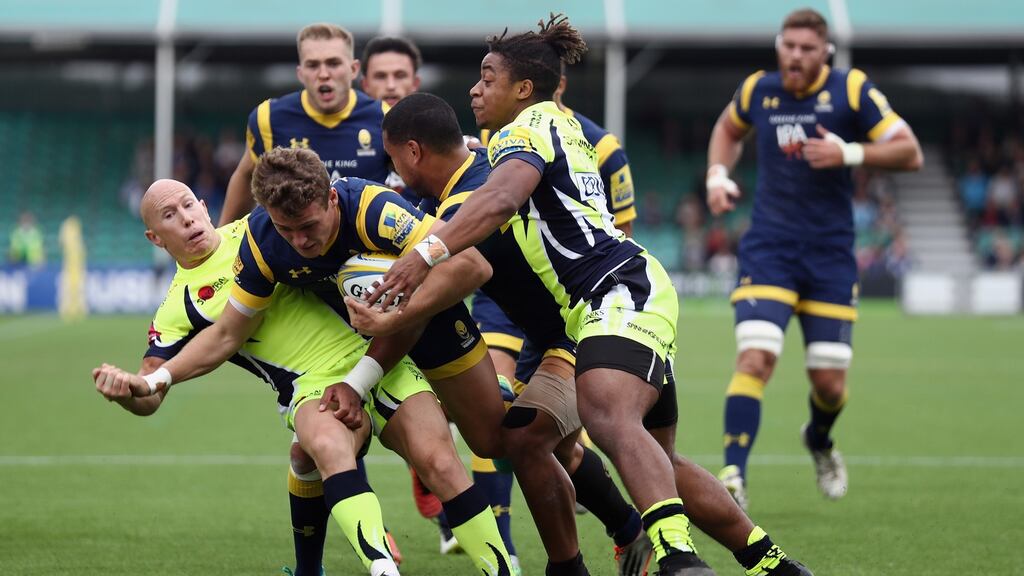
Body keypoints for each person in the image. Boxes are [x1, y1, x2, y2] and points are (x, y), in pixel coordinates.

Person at [365, 91, 812, 576]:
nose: (391, 171)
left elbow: (465, 266)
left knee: (529, 438)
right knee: (657, 462)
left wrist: (391, 306)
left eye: (391, 158)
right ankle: (772, 564)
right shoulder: (480, 170)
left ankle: (604, 561)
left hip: (593, 322)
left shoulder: (473, 202)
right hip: (597, 315)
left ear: (412, 151)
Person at [372, 15, 714, 576]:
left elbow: (505, 232)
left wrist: (413, 268)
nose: (474, 91)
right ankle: (729, 552)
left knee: (531, 437)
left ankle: (641, 552)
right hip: (557, 316)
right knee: (555, 442)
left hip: (590, 311)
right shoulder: (515, 141)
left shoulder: (515, 150)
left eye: (486, 79)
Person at [92, 179, 511, 576]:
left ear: (204, 207)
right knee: (325, 448)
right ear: (155, 238)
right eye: (169, 215)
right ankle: (383, 567)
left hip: (379, 357)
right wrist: (128, 389)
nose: (186, 219)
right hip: (310, 388)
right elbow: (150, 387)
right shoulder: (177, 307)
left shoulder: (265, 228)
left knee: (440, 462)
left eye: (188, 205)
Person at [705, 8, 923, 510]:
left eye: (807, 49)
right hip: (769, 250)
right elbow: (727, 130)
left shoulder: (852, 91)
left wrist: (850, 153)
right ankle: (733, 475)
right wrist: (718, 176)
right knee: (755, 359)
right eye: (788, 46)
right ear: (779, 46)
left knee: (828, 383)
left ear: (824, 53)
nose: (795, 56)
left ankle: (820, 439)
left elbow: (910, 152)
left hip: (829, 257)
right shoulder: (758, 89)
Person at [219, 23, 391, 226]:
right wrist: (221, 239)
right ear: (300, 73)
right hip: (296, 247)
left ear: (353, 70)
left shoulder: (383, 117)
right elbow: (246, 175)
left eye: (333, 63)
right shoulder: (269, 118)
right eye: (313, 65)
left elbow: (413, 183)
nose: (324, 74)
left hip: (364, 248)